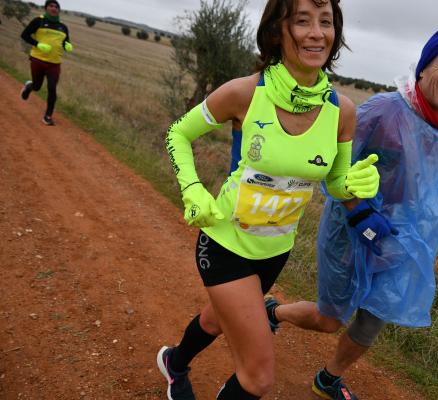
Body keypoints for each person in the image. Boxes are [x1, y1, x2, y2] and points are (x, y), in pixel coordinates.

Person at [157, 1, 380, 399]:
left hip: (275, 251)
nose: (317, 32)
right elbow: (178, 134)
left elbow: (337, 181)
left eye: (326, 22)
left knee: (216, 320)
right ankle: (179, 365)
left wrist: (357, 185)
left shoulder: (342, 111)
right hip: (224, 244)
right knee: (258, 377)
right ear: (278, 30)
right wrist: (192, 189)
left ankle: (175, 363)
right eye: (302, 21)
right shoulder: (246, 92)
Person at [266, 28, 438, 400]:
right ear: (425, 68)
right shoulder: (384, 111)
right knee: (331, 318)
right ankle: (273, 313)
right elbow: (332, 160)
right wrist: (357, 210)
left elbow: (419, 175)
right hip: (352, 231)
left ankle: (328, 378)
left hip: (400, 241)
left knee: (377, 313)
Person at [20, 0, 73, 126]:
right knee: (37, 87)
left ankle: (48, 116)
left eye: (56, 7)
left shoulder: (63, 27)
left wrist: (68, 46)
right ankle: (29, 87)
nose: (54, 8)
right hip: (38, 59)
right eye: (51, 6)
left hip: (54, 63)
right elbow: (24, 35)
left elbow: (66, 43)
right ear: (46, 8)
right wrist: (38, 44)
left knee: (52, 88)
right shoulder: (38, 21)